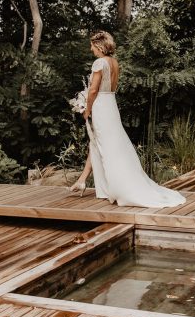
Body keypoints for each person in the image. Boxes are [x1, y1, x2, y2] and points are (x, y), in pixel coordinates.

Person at [70, 31, 186, 208]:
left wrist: (87, 109)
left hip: (100, 105)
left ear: (99, 46)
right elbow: (110, 88)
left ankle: (117, 186)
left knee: (103, 144)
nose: (90, 48)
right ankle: (85, 181)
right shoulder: (115, 63)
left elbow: (93, 90)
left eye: (92, 45)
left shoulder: (99, 62)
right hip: (111, 103)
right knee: (103, 143)